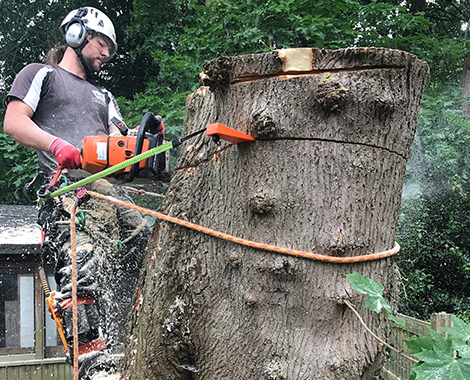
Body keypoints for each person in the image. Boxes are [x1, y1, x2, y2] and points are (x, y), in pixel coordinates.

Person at [3, 6, 156, 380]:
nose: (105, 53)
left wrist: (144, 143)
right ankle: (94, 365)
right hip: (67, 190)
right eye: (102, 43)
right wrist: (57, 145)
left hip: (109, 193)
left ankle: (143, 341)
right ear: (77, 36)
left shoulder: (104, 96)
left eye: (109, 48)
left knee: (150, 250)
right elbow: (13, 121)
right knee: (82, 274)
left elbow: (123, 144)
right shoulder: (41, 75)